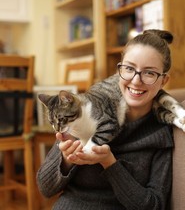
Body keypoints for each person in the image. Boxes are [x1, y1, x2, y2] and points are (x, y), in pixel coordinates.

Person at [37, 29, 174, 210]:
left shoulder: (160, 134)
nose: (136, 80)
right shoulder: (84, 112)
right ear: (119, 70)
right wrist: (66, 159)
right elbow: (45, 189)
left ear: (164, 80)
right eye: (129, 68)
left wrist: (109, 163)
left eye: (149, 73)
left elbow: (153, 205)